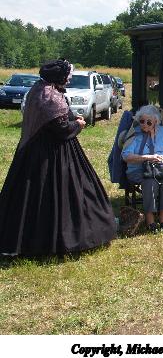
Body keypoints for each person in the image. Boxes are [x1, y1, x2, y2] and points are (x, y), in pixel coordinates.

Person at [0, 59, 116, 256]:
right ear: (58, 77)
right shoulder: (50, 96)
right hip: (51, 152)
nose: (68, 79)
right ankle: (58, 239)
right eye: (67, 76)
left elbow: (59, 117)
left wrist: (72, 118)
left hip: (33, 150)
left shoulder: (39, 88)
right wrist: (78, 124)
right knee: (58, 192)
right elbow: (61, 129)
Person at [122, 105, 163, 233]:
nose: (144, 125)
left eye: (148, 122)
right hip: (139, 169)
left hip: (161, 168)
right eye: (142, 121)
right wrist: (147, 157)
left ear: (155, 122)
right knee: (150, 181)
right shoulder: (135, 134)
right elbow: (126, 156)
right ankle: (150, 221)